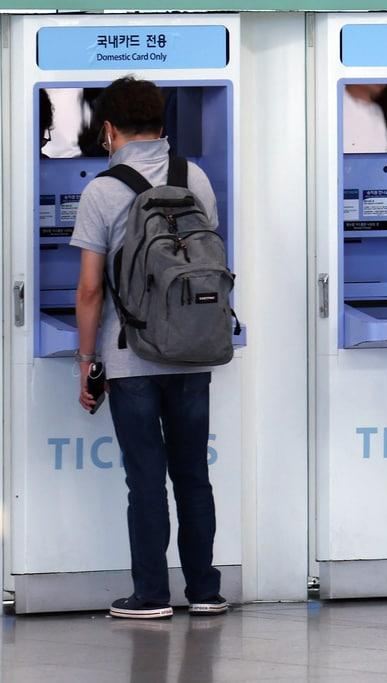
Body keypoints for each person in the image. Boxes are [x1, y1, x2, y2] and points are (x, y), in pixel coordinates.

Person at [70, 76, 228, 619]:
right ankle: (205, 591)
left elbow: (90, 289)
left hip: (130, 355)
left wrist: (86, 361)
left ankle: (151, 595)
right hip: (192, 351)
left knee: (146, 477)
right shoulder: (198, 179)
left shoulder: (102, 191)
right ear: (162, 127)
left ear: (109, 129)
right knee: (192, 474)